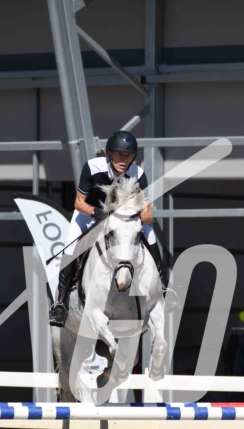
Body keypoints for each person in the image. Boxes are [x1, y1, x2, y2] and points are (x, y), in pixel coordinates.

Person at [49, 130, 179, 327]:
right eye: (119, 154)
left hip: (124, 219)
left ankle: (163, 289)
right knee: (70, 244)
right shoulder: (92, 168)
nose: (124, 159)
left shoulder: (138, 174)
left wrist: (128, 219)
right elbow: (78, 203)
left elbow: (147, 215)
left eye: (128, 155)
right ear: (109, 153)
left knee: (150, 235)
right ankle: (60, 303)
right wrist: (97, 213)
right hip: (90, 214)